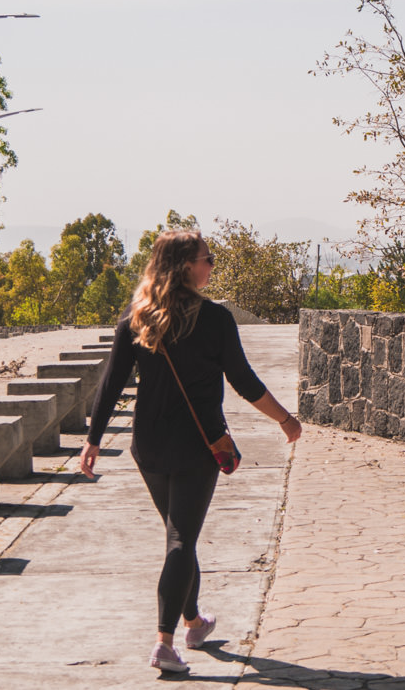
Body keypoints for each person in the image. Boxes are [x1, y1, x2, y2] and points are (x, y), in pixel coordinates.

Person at [79, 229, 302, 673]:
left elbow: (111, 382)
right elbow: (244, 382)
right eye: (207, 258)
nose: (211, 265)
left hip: (149, 446)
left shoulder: (137, 316)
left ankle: (195, 621)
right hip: (198, 445)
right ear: (184, 265)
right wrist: (284, 419)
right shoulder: (215, 319)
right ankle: (164, 641)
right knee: (181, 537)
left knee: (179, 535)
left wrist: (94, 438)